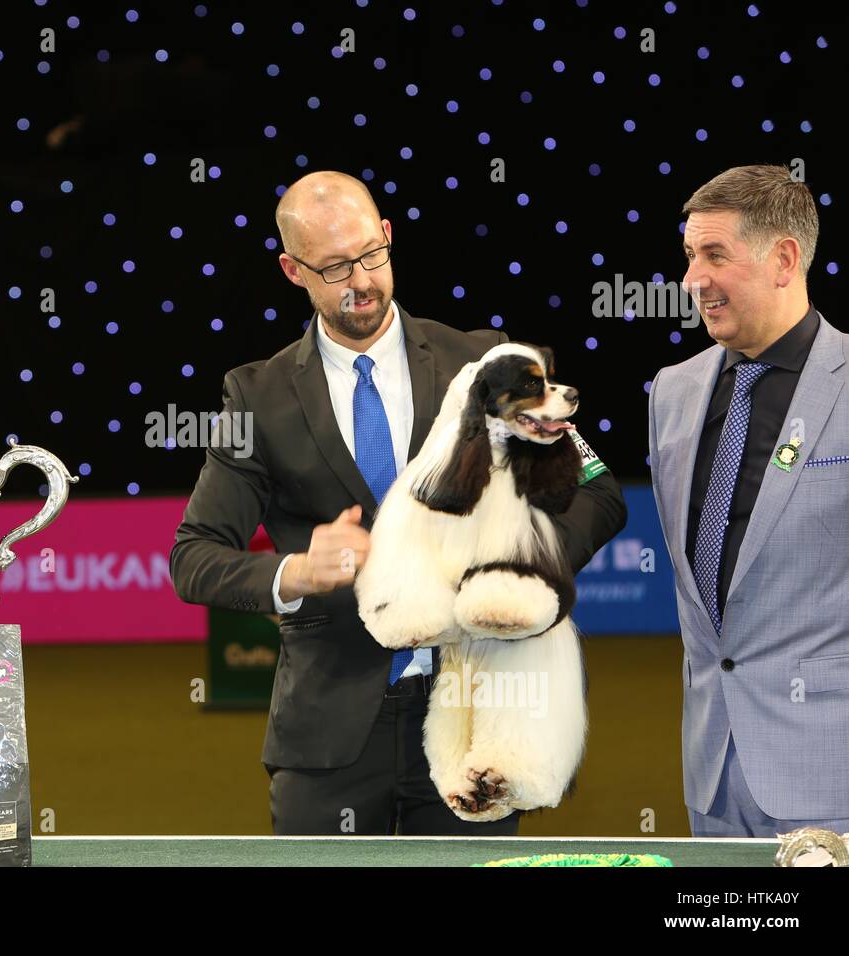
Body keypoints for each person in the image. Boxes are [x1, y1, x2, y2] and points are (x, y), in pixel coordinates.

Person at [171, 170, 627, 834]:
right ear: (292, 270)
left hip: (477, 717)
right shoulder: (256, 396)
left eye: (370, 254)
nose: (360, 279)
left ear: (387, 236)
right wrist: (293, 573)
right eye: (332, 268)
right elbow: (193, 557)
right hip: (327, 736)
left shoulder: (480, 361)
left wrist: (522, 571)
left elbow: (598, 491)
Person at [648, 164, 849, 836]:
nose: (692, 281)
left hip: (830, 775)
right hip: (711, 775)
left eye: (714, 255)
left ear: (784, 260)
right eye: (688, 257)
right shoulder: (671, 391)